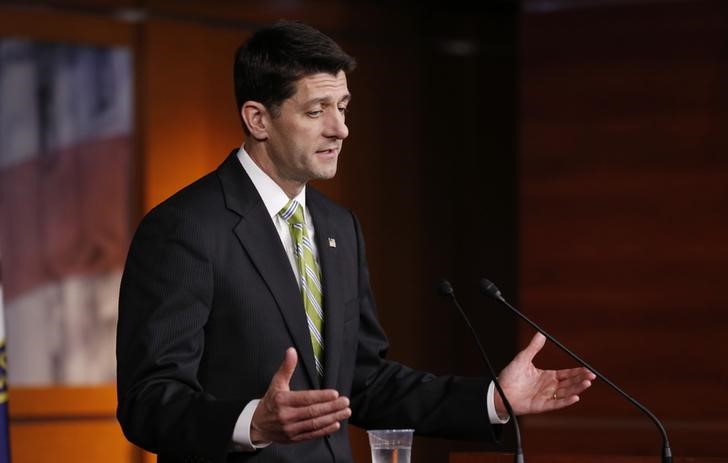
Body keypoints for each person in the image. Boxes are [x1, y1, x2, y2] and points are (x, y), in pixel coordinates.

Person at [116, 20, 595, 463]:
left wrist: (492, 399)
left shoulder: (338, 226)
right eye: (316, 110)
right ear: (258, 119)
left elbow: (363, 382)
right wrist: (251, 423)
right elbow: (147, 400)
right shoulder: (185, 227)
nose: (340, 128)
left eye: (342, 107)